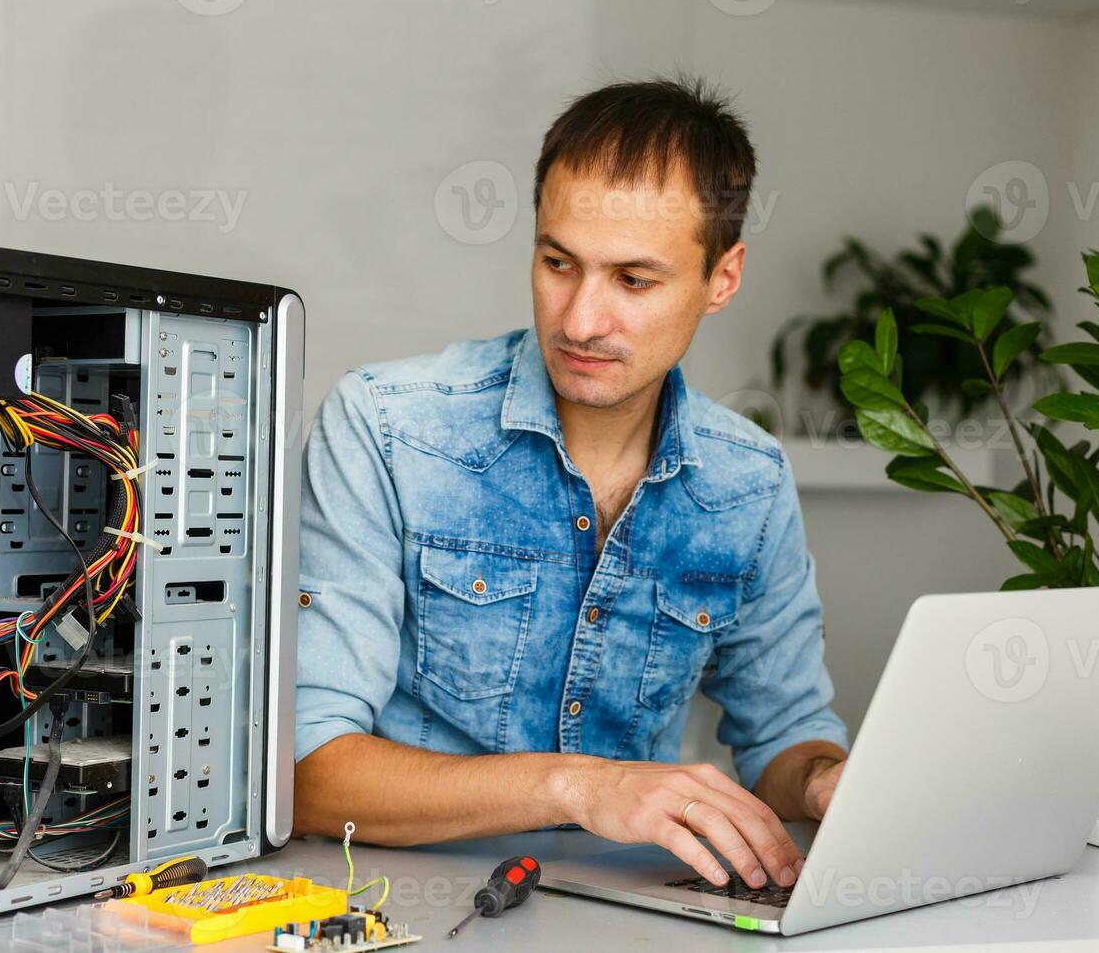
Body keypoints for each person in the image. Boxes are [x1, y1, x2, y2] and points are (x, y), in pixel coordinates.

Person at [292, 76, 847, 891]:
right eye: (559, 263)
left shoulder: (749, 483)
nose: (581, 320)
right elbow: (311, 772)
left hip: (625, 913)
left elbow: (786, 736)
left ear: (722, 278)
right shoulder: (384, 427)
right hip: (394, 903)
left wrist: (824, 778)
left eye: (633, 280)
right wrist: (580, 786)